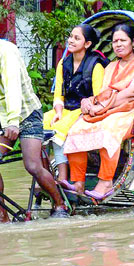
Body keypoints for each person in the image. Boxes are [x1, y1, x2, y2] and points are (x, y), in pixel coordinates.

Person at [0, 15, 69, 221]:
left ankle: (60, 205)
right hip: (3, 117)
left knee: (32, 165)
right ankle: (2, 215)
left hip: (27, 114)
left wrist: (14, 121)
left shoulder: (7, 52)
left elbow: (13, 88)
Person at [62, 24, 134, 199]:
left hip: (128, 112)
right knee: (75, 129)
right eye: (115, 41)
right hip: (106, 109)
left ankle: (106, 182)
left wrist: (103, 106)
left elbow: (131, 93)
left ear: (133, 42)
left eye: (123, 40)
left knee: (108, 131)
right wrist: (89, 102)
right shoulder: (111, 66)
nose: (118, 44)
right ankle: (78, 181)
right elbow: (101, 94)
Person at [43, 24, 108, 185]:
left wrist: (84, 109)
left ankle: (65, 177)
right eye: (70, 36)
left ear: (87, 44)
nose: (70, 41)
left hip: (87, 111)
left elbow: (98, 96)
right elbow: (59, 93)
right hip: (66, 109)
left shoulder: (96, 65)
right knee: (37, 126)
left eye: (76, 38)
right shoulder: (63, 63)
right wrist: (58, 111)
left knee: (62, 129)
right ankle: (45, 175)